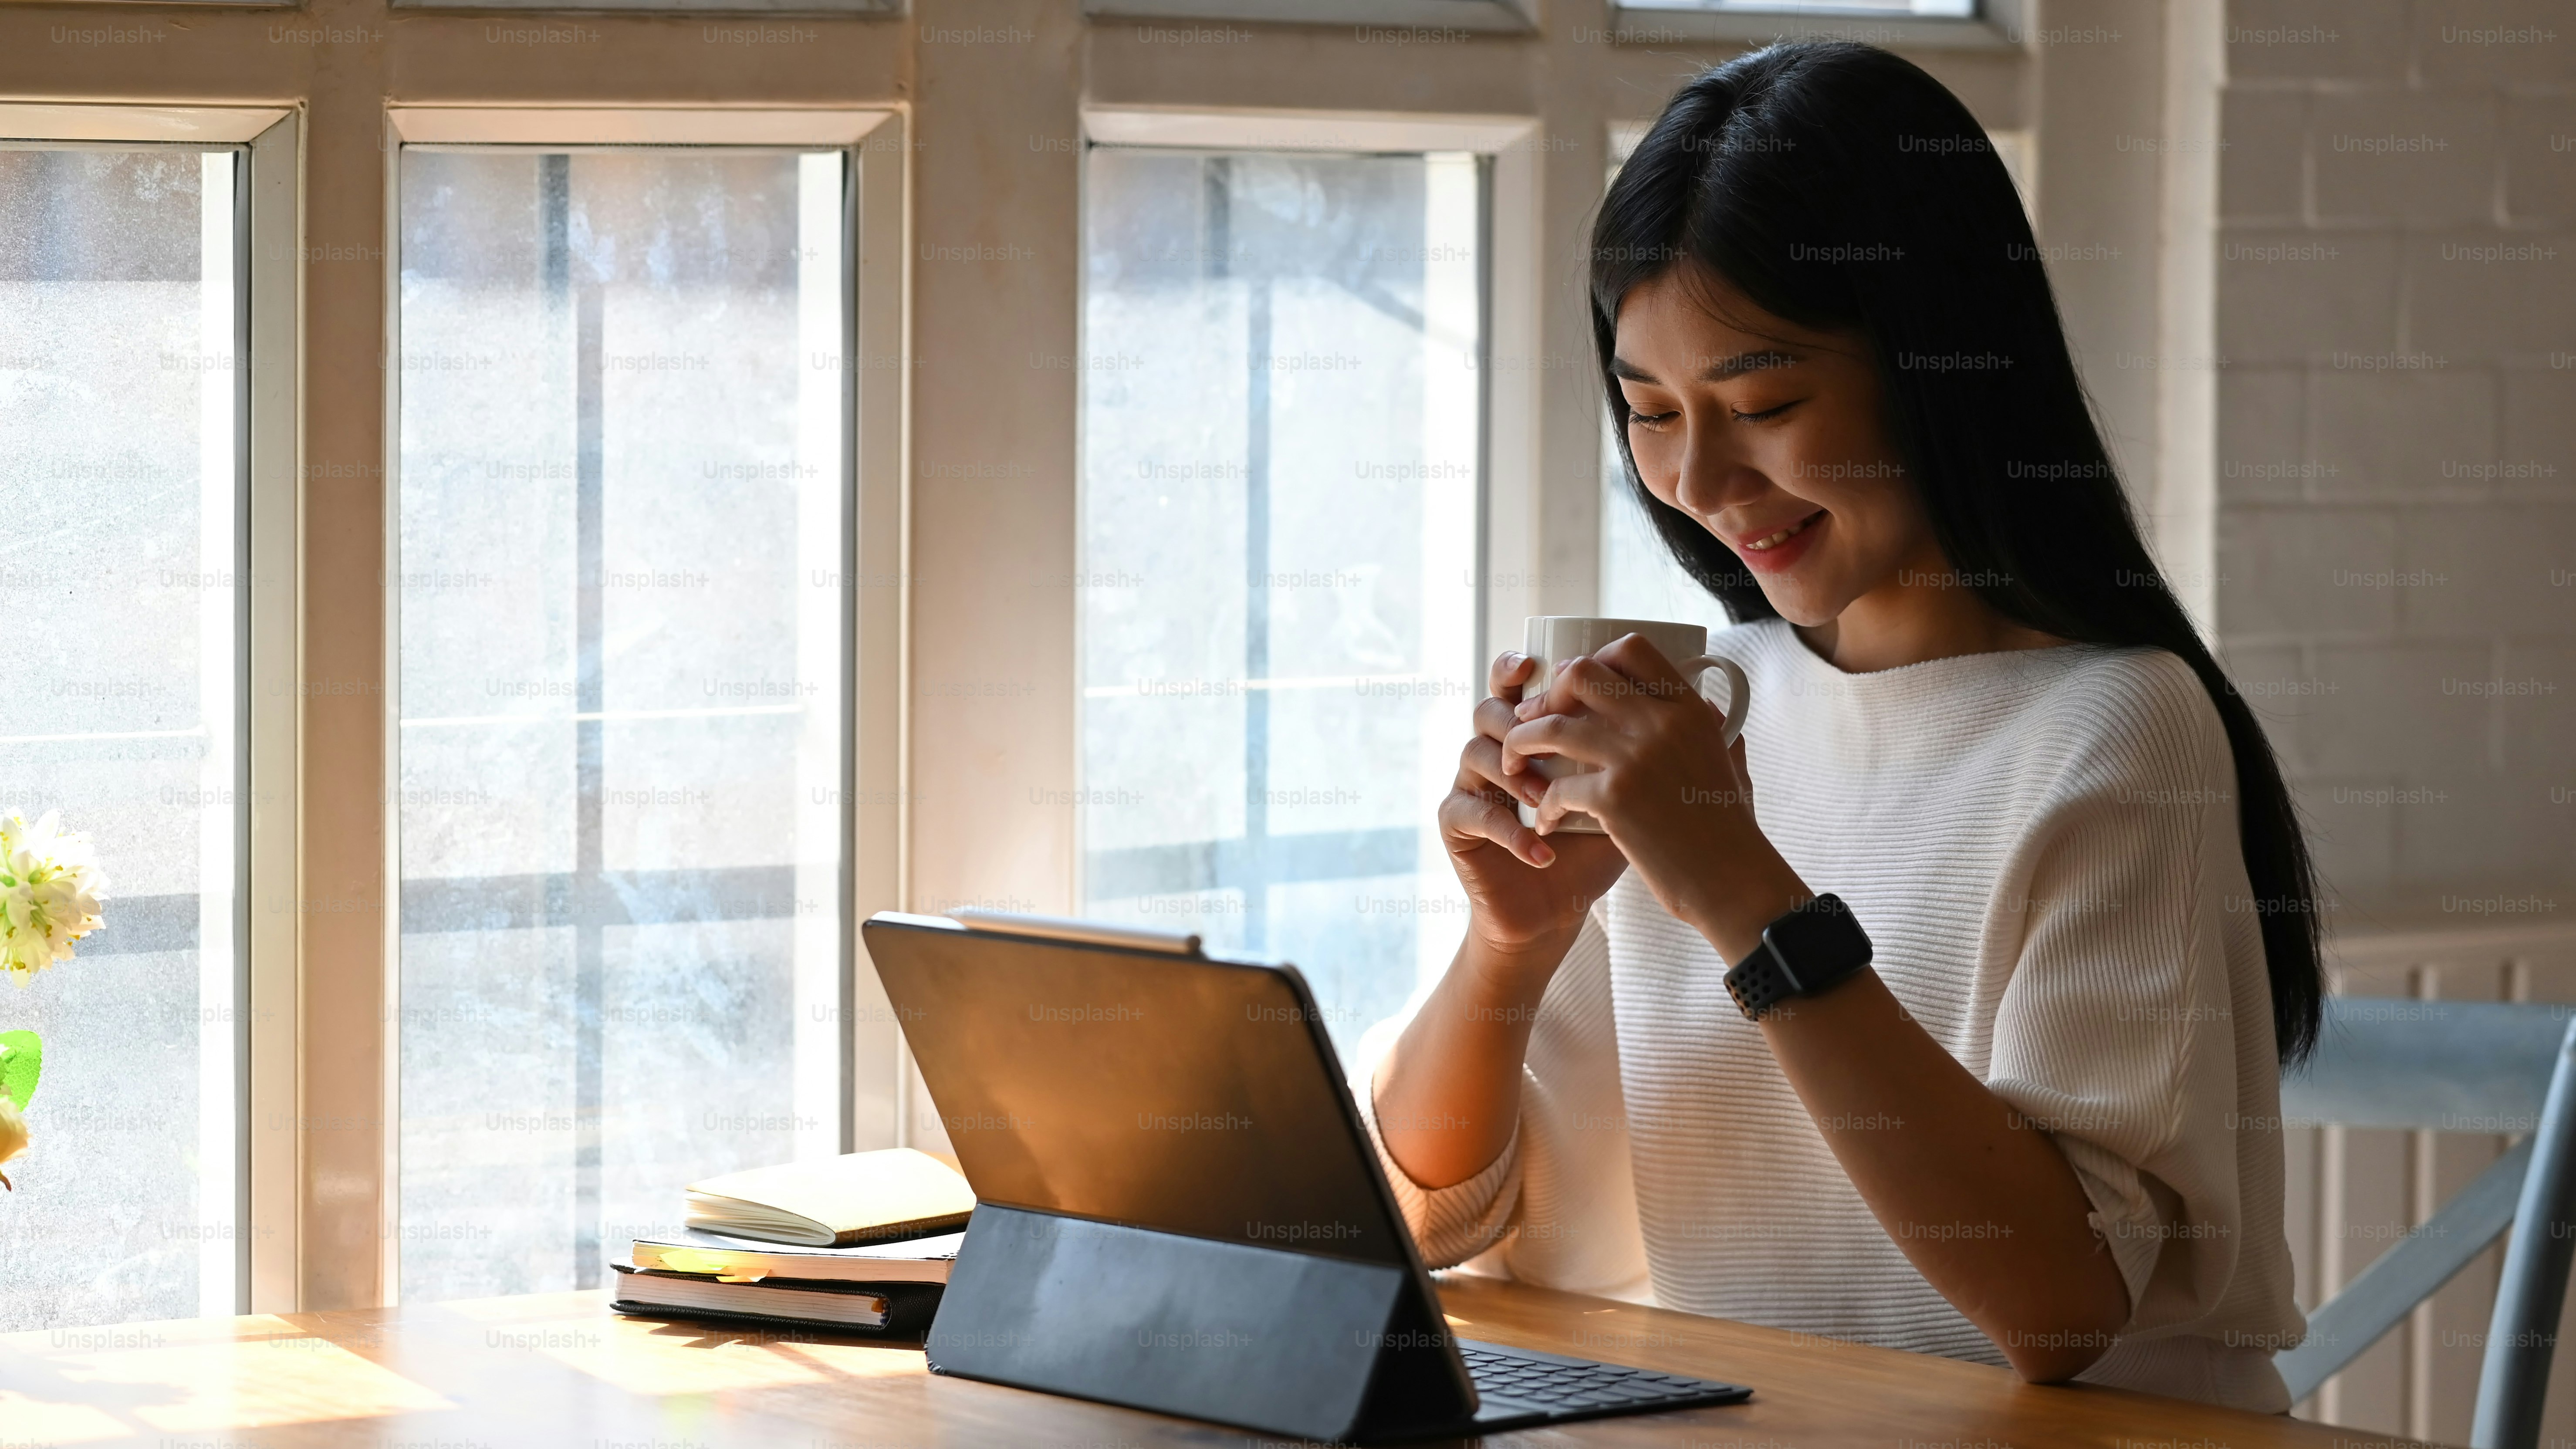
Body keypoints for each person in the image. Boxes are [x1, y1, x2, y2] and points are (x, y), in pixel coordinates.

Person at [1362, 39, 2318, 1412]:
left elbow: (2054, 1311)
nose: (1697, 476)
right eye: (1648, 413)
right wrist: (1512, 947)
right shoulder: (1688, 715)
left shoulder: (2116, 725)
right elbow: (1429, 1223)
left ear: (1937, 369)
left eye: (1764, 404)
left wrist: (1737, 890)